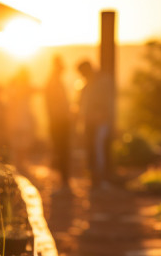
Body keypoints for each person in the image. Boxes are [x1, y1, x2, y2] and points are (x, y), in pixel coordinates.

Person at [76, 59, 113, 187]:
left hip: (100, 123)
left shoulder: (102, 82)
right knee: (92, 150)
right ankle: (94, 178)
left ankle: (101, 178)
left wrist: (102, 115)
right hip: (89, 122)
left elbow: (107, 102)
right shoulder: (87, 84)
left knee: (99, 150)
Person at [44, 55, 72, 189]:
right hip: (59, 122)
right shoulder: (54, 83)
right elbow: (55, 105)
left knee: (61, 150)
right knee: (62, 150)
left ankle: (63, 180)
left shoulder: (53, 82)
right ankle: (63, 180)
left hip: (59, 121)